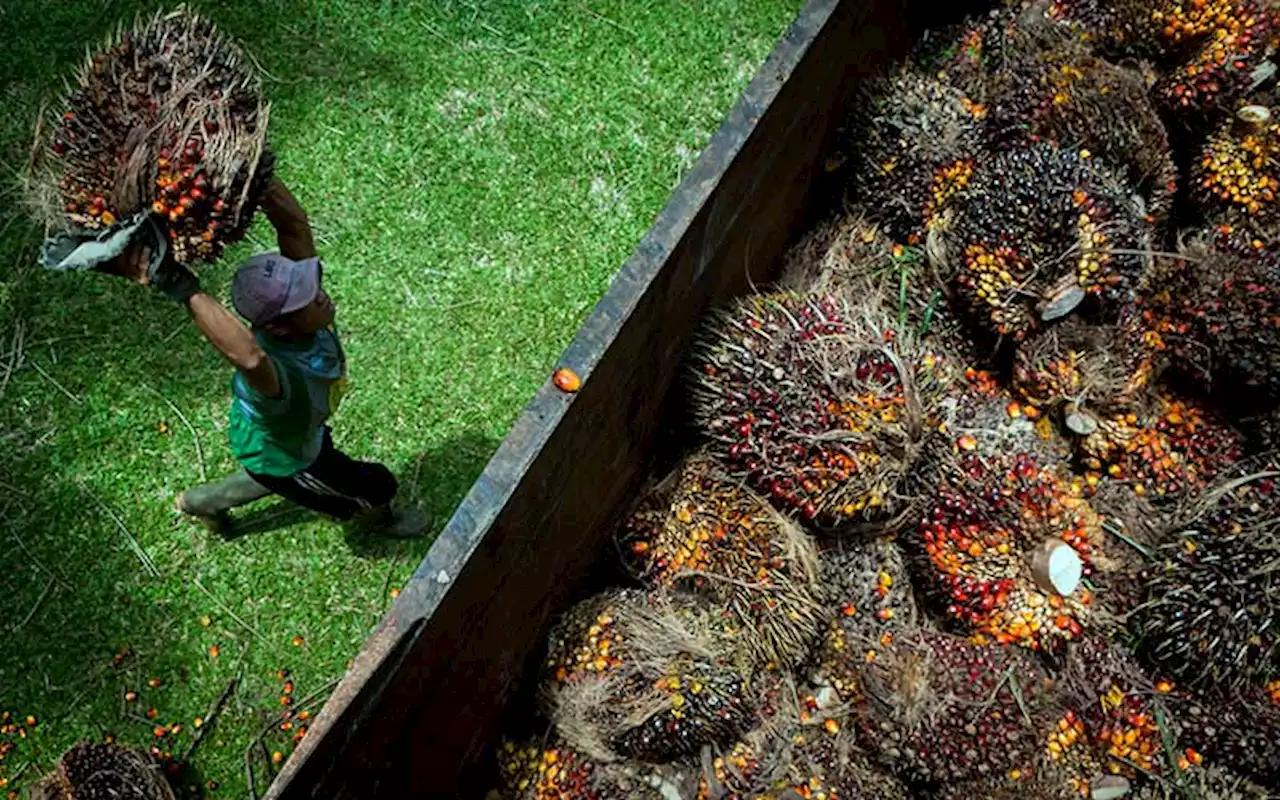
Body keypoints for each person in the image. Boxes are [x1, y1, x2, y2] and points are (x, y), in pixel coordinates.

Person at [116, 177, 427, 537]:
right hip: (289, 454)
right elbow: (250, 359)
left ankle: (201, 500)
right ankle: (381, 519)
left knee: (269, 471)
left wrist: (258, 176)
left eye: (309, 283)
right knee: (371, 486)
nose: (320, 295)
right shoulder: (278, 376)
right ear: (279, 327)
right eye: (306, 297)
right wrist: (182, 287)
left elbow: (293, 225)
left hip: (285, 440)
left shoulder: (301, 316)